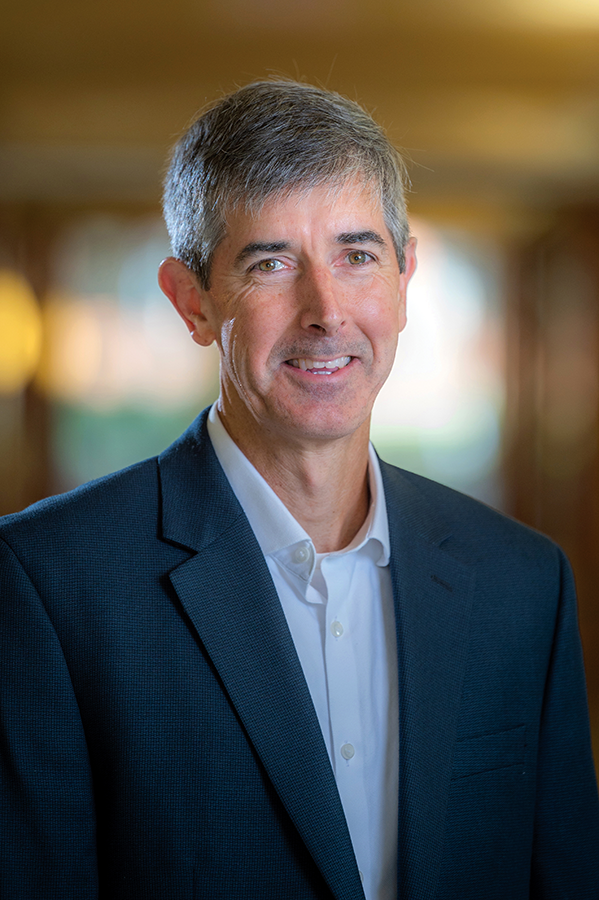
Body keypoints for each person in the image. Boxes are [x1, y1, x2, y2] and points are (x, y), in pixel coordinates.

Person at [1, 80, 598, 900]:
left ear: (403, 277)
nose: (325, 312)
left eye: (356, 256)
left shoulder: (524, 583)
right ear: (192, 302)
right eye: (270, 262)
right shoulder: (48, 583)